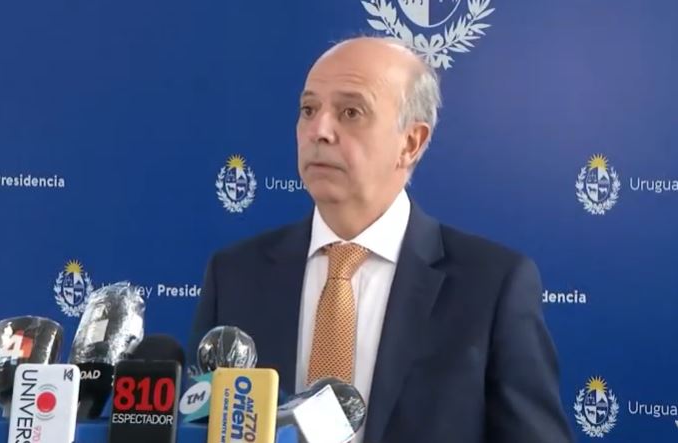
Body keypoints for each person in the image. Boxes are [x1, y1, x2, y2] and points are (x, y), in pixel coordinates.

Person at [189, 36, 573, 443]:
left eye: (351, 112)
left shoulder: (492, 285)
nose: (319, 130)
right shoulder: (235, 275)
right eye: (309, 110)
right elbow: (198, 427)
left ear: (411, 142)